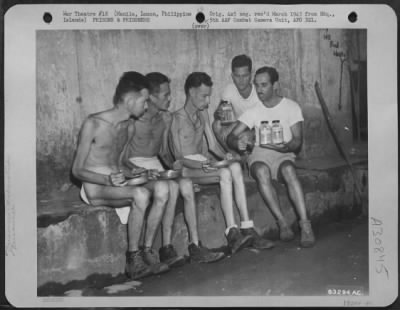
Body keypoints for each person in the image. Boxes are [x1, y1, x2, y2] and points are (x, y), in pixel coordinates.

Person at [72, 71, 170, 280]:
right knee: (141, 195)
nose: (146, 106)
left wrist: (137, 171)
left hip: (116, 182)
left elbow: (119, 163)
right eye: (144, 100)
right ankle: (133, 260)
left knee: (162, 187)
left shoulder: (129, 126)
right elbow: (76, 170)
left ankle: (147, 250)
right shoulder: (93, 124)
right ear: (131, 100)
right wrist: (106, 179)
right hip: (94, 186)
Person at [122, 72, 225, 264]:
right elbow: (123, 157)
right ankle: (155, 248)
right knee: (171, 187)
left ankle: (194, 245)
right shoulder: (133, 121)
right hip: (136, 166)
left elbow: (164, 153)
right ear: (151, 97)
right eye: (165, 95)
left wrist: (174, 166)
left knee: (184, 184)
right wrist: (142, 171)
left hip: (156, 165)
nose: (170, 99)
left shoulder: (166, 119)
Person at [169, 72, 275, 254]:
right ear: (191, 92)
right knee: (225, 173)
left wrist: (226, 155)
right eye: (204, 96)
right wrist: (202, 165)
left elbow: (212, 145)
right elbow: (179, 157)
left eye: (209, 95)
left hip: (202, 165)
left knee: (233, 166)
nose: (208, 100)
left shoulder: (202, 114)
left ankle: (246, 227)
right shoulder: (176, 118)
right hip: (187, 169)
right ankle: (231, 232)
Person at [227, 66, 316, 247]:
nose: (259, 90)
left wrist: (286, 147)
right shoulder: (254, 111)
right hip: (260, 154)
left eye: (264, 85)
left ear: (275, 85)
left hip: (284, 154)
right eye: (257, 85)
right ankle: (282, 223)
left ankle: (305, 225)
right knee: (261, 171)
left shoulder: (291, 107)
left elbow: (297, 141)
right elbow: (231, 136)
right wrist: (238, 144)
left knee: (290, 171)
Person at [212, 54, 261, 154]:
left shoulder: (259, 93)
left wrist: (235, 125)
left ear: (251, 75)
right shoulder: (229, 89)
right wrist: (218, 114)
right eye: (238, 76)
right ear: (232, 76)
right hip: (236, 130)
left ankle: (250, 159)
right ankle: (234, 157)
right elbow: (217, 114)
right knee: (216, 125)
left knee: (245, 135)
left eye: (245, 76)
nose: (241, 80)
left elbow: (263, 122)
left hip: (255, 129)